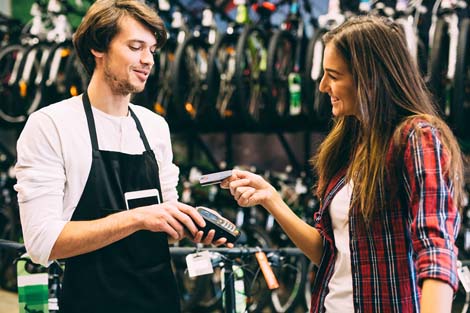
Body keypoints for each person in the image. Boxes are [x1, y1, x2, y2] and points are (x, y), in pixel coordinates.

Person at [222, 15, 465, 313]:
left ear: (370, 78)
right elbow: (331, 254)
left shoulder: (417, 138)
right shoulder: (351, 144)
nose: (323, 86)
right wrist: (271, 198)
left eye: (334, 75)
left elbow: (436, 249)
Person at [14, 1, 230, 312]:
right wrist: (139, 218)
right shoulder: (52, 126)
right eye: (135, 47)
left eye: (152, 50)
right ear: (98, 48)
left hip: (159, 301)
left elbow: (164, 230)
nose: (148, 60)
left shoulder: (155, 127)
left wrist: (191, 226)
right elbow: (42, 242)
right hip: (89, 302)